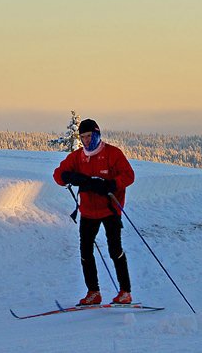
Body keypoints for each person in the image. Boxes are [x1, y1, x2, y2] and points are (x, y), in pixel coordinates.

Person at [53, 117, 135, 305]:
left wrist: (112, 184)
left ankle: (125, 292)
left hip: (110, 209)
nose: (86, 140)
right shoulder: (78, 157)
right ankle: (93, 292)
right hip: (88, 212)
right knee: (85, 252)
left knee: (115, 250)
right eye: (83, 137)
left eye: (89, 136)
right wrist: (68, 176)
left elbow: (129, 175)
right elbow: (58, 175)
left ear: (97, 134)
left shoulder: (112, 153)